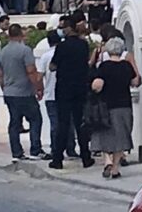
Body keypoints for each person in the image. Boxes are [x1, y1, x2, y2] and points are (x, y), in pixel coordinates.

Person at [48, 16, 95, 170]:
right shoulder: (83, 45)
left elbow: (53, 66)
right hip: (80, 87)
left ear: (68, 29)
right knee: (80, 122)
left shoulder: (61, 47)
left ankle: (57, 158)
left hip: (64, 88)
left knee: (63, 124)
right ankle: (86, 157)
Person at [90, 37, 139, 180]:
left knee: (105, 134)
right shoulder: (126, 66)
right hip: (124, 105)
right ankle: (116, 168)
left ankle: (107, 161)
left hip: (107, 106)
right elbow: (135, 81)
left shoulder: (104, 67)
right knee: (121, 137)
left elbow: (97, 85)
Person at [0, 24, 46, 161]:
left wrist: (4, 88)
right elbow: (31, 71)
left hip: (9, 92)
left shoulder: (3, 51)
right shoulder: (25, 50)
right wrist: (38, 87)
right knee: (35, 119)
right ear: (20, 34)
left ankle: (16, 152)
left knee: (14, 122)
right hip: (24, 92)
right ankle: (35, 149)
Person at [37, 31, 76, 160]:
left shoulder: (45, 56)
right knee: (69, 122)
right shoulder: (67, 53)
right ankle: (70, 148)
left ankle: (55, 149)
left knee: (55, 124)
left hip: (50, 94)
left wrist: (39, 89)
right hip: (67, 92)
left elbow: (39, 76)